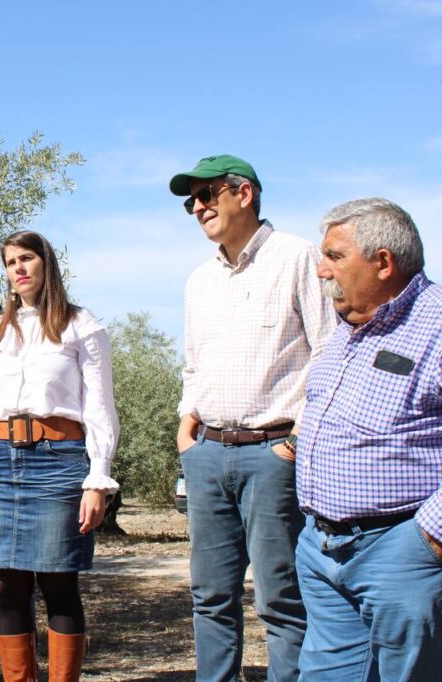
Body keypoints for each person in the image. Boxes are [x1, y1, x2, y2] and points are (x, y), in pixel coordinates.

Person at [168, 155, 336, 681]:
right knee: (210, 596)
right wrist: (186, 427)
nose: (197, 208)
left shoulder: (297, 257)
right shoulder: (198, 280)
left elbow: (331, 352)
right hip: (207, 453)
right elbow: (194, 362)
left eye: (206, 194)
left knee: (281, 596)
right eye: (191, 201)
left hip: (274, 452)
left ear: (244, 194)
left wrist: (295, 440)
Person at [0, 230, 119, 682]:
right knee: (7, 589)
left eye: (26, 259)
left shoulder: (81, 325)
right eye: (10, 263)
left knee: (59, 584)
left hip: (58, 462)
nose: (19, 269)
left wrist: (97, 479)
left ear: (46, 263)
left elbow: (100, 406)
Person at [295, 197, 442, 680]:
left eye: (334, 256)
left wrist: (429, 538)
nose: (321, 270)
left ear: (383, 263)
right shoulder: (347, 329)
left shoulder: (436, 327)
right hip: (321, 551)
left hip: (400, 555)